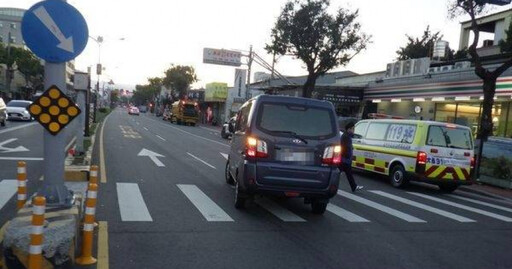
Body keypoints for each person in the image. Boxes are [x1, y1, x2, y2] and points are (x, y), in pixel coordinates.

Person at [340, 122, 363, 192]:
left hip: (345, 159)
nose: (354, 130)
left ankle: (354, 187)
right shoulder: (346, 136)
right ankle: (354, 187)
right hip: (344, 160)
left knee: (348, 174)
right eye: (353, 129)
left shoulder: (347, 136)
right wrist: (347, 155)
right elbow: (344, 147)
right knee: (343, 173)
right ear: (348, 129)